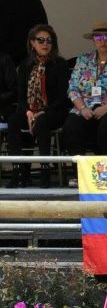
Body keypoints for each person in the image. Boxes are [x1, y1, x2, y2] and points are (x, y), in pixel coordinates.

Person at [5, 25, 70, 188]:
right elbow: (20, 96)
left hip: (54, 111)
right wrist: (27, 111)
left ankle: (45, 171)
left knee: (42, 122)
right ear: (32, 43)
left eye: (49, 40)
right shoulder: (25, 65)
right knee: (13, 121)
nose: (45, 44)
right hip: (30, 110)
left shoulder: (60, 64)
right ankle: (17, 171)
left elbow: (63, 97)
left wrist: (42, 111)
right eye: (40, 40)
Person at [62, 21, 107, 156]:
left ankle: (106, 173)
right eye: (98, 37)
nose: (103, 41)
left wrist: (106, 107)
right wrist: (82, 108)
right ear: (93, 40)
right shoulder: (83, 60)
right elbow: (72, 88)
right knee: (71, 126)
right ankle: (79, 173)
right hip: (85, 107)